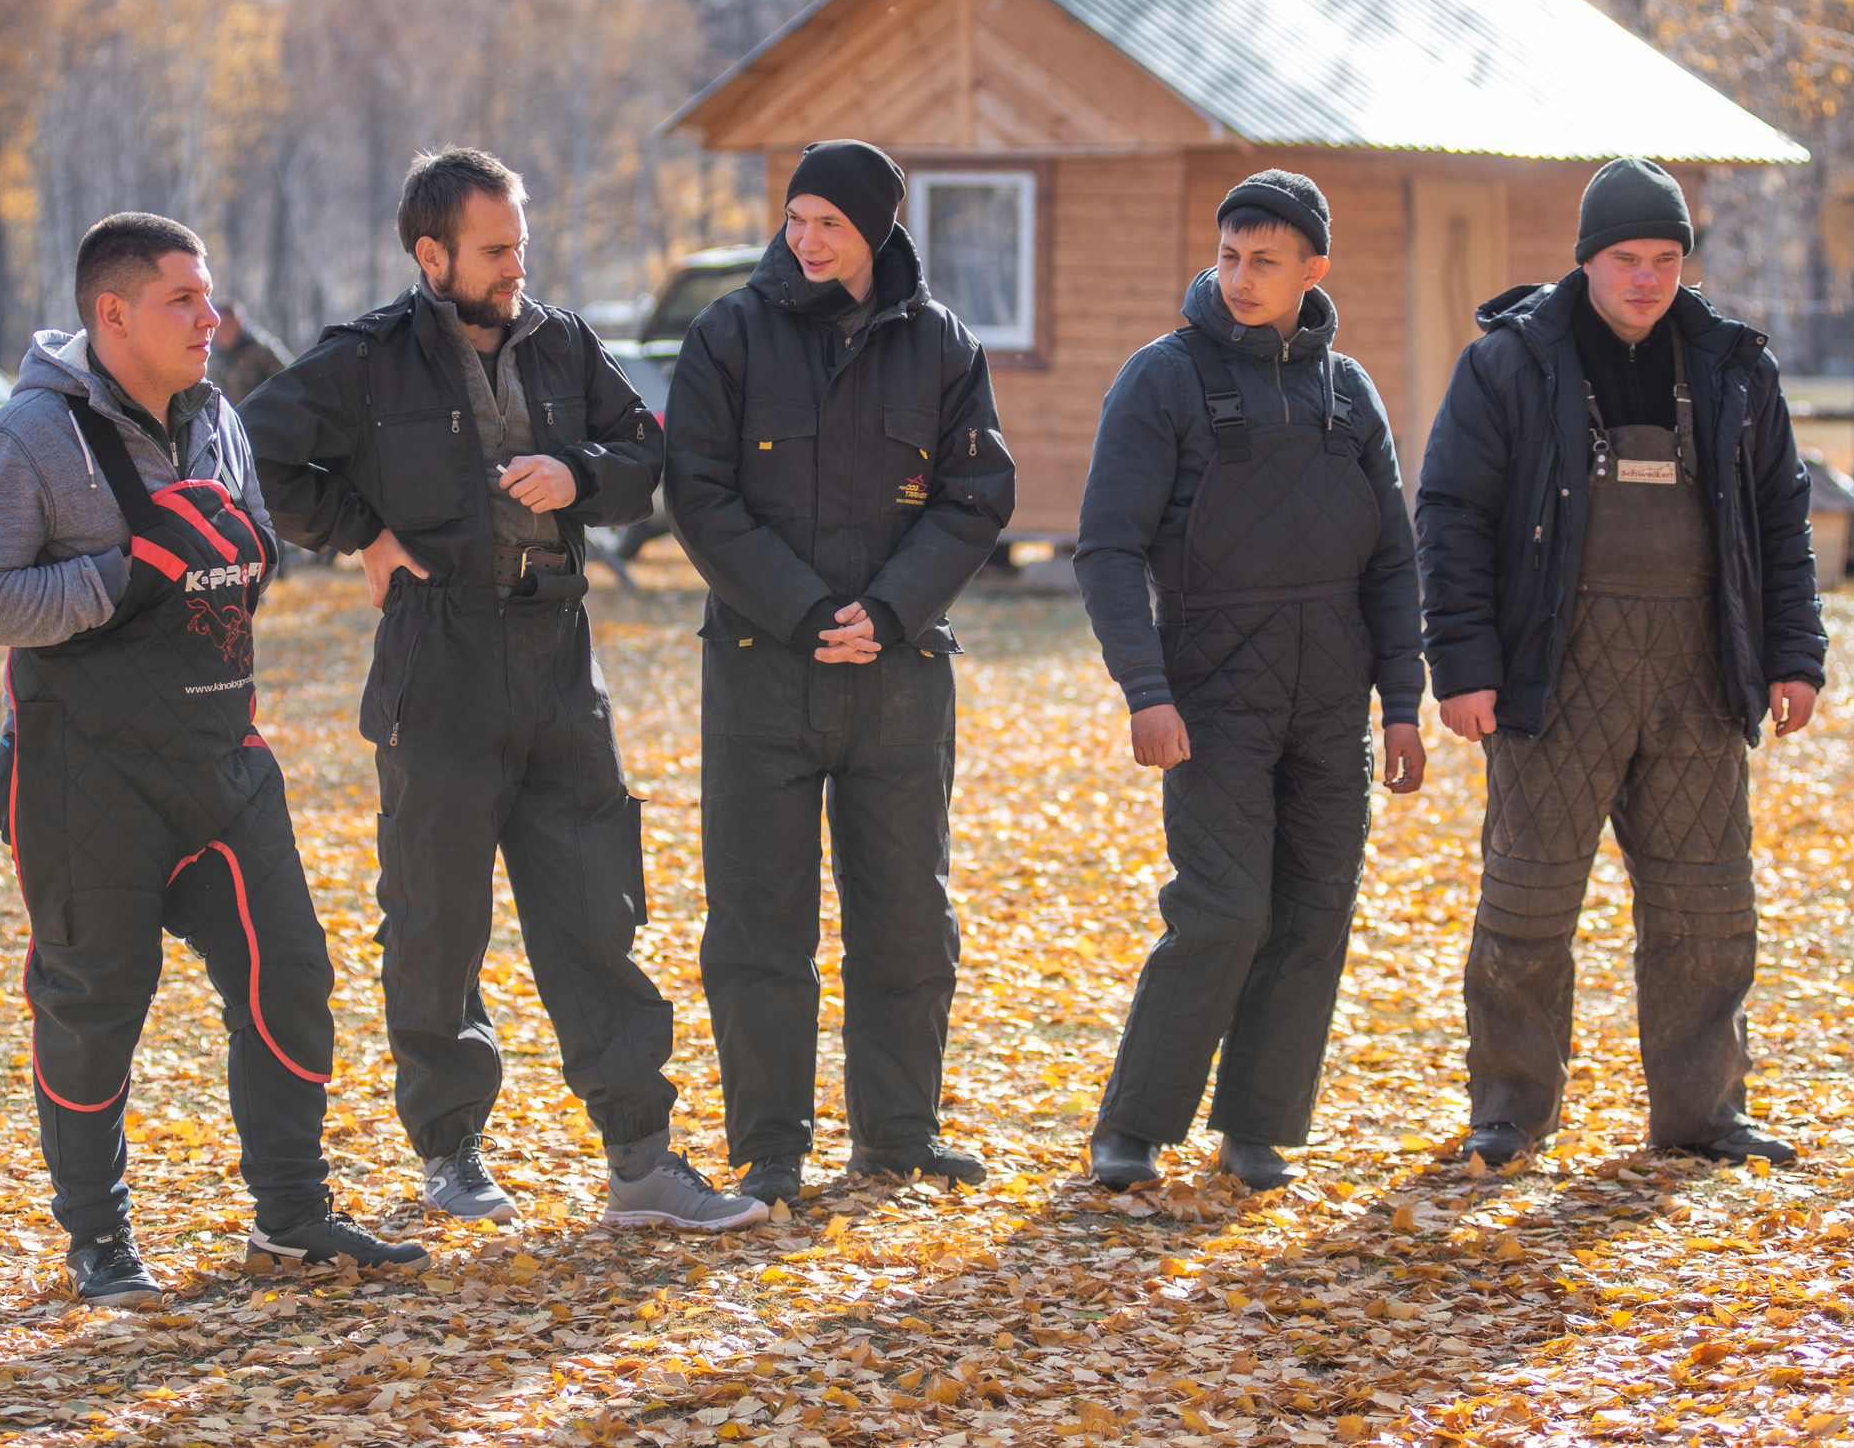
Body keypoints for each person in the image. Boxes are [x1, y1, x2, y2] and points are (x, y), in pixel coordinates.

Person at [240, 148, 764, 1234]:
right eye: (494, 248)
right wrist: (363, 534)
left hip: (559, 650)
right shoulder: (367, 359)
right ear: (431, 255)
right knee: (435, 920)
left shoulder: (566, 341)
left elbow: (642, 452)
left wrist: (578, 473)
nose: (516, 264)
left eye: (521, 242)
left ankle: (641, 1163)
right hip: (438, 653)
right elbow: (258, 449)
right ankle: (450, 1152)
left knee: (596, 909)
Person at [0, 212, 426, 1306]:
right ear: (112, 314)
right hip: (82, 777)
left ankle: (292, 1216)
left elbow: (245, 547)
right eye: (185, 300)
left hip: (223, 757)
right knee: (93, 997)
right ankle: (99, 1240)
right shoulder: (23, 439)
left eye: (209, 296)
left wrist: (236, 557)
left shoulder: (219, 419)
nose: (214, 318)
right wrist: (126, 572)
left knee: (291, 974)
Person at [1417, 157, 1827, 1168]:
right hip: (1553, 670)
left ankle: (1701, 1114)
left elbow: (1781, 518)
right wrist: (1462, 664)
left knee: (1707, 904)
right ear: (1586, 261)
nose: (1647, 279)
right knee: (1526, 901)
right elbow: (1452, 517)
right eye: (1626, 259)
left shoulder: (1735, 365)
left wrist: (1794, 654)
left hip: (1697, 670)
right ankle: (1508, 1112)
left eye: (1666, 259)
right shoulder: (1509, 362)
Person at [664, 139, 1016, 1206]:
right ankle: (769, 1147)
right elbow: (700, 494)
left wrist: (894, 610)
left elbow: (975, 494)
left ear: (876, 228)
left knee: (908, 914)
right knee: (760, 920)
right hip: (761, 671)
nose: (806, 240)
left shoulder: (942, 343)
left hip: (900, 677)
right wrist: (812, 611)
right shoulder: (728, 333)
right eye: (795, 217)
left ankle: (898, 1135)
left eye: (829, 221)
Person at [1073, 171, 1426, 1193]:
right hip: (1212, 697)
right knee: (1224, 911)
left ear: (1312, 269)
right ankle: (1133, 1126)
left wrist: (1400, 702)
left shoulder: (1348, 391)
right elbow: (1105, 548)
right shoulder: (1163, 379)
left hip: (1333, 700)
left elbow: (1392, 560)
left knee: (1313, 912)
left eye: (1264, 260)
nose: (1240, 276)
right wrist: (1144, 688)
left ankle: (1257, 1126)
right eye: (1229, 254)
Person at [208, 300, 293, 404]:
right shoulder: (210, 357)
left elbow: (290, 381)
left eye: (226, 325)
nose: (221, 332)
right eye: (216, 328)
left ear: (238, 323)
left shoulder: (261, 350)